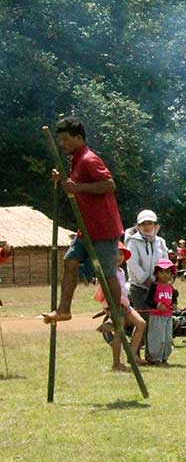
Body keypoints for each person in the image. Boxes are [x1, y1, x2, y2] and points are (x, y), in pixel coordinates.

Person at [42, 117, 126, 325]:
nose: (62, 144)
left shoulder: (89, 159)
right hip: (87, 226)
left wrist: (77, 188)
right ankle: (63, 310)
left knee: (107, 275)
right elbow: (75, 184)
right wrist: (62, 180)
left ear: (79, 138)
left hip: (103, 228)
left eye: (66, 139)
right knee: (70, 261)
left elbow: (109, 184)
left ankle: (116, 317)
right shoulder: (75, 159)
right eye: (60, 140)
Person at [95, 242, 148, 372]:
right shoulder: (107, 272)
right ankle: (116, 363)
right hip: (115, 305)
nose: (118, 257)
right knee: (119, 333)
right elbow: (106, 290)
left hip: (125, 305)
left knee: (141, 323)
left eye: (121, 254)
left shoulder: (121, 271)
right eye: (115, 254)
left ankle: (132, 353)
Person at [125, 209, 170, 321]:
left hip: (158, 286)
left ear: (155, 225)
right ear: (138, 226)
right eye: (143, 224)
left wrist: (164, 278)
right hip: (139, 287)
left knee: (160, 317)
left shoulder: (160, 242)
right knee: (146, 319)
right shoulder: (133, 241)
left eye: (150, 223)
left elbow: (165, 262)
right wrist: (146, 279)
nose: (146, 226)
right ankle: (142, 339)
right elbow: (132, 263)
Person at [144, 259, 176, 365]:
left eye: (168, 272)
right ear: (157, 273)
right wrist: (158, 305)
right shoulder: (154, 286)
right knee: (157, 337)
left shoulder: (171, 288)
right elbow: (148, 301)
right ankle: (156, 358)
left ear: (172, 274)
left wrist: (174, 305)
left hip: (168, 317)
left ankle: (165, 357)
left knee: (167, 338)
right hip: (156, 317)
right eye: (162, 272)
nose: (165, 275)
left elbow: (173, 300)